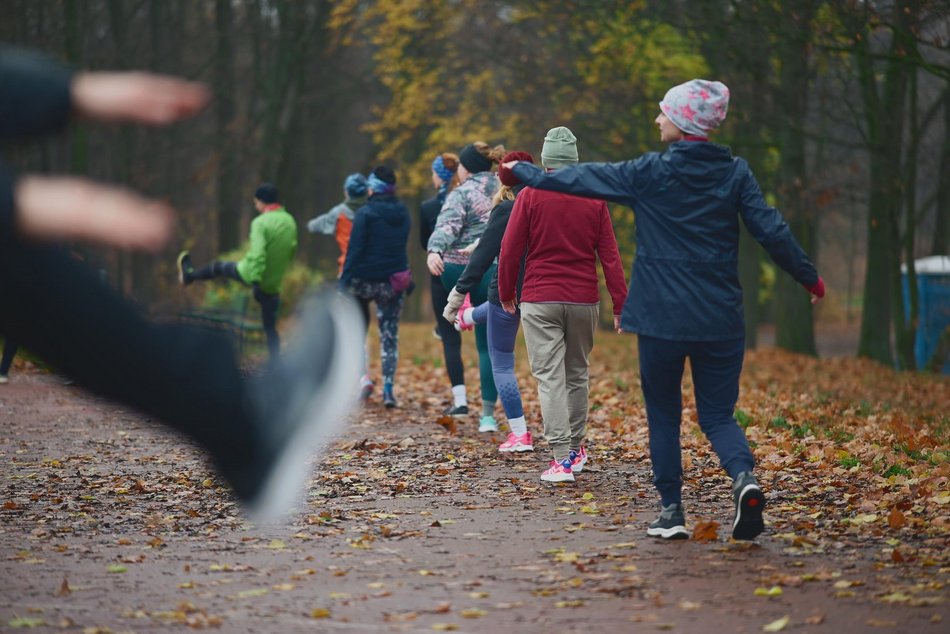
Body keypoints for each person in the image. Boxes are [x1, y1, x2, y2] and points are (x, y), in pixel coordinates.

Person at [0, 46, 363, 523]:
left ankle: (241, 416)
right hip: (267, 284)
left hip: (256, 279)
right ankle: (240, 418)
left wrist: (63, 94)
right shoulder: (291, 223)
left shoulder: (265, 225)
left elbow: (255, 258)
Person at [504, 80, 825, 540]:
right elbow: (771, 230)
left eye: (664, 113)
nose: (657, 119)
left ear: (683, 122)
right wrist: (809, 278)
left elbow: (583, 178)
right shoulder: (736, 174)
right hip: (720, 316)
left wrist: (525, 174)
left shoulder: (650, 171)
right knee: (718, 415)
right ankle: (744, 479)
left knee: (663, 414)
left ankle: (672, 511)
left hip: (661, 319)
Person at [498, 127, 627, 483]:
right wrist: (620, 304)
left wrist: (506, 290)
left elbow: (510, 249)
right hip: (584, 298)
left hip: (540, 297)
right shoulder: (594, 197)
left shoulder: (530, 194)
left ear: (545, 160)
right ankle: (575, 450)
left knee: (549, 377)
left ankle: (560, 459)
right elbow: (610, 256)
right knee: (577, 375)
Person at [443, 151, 536, 451]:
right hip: (541, 290)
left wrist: (458, 293)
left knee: (502, 364)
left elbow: (485, 254)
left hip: (507, 291)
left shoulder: (506, 207)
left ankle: (520, 434)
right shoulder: (543, 202)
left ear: (502, 179)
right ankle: (469, 318)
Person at [426, 141, 506, 431]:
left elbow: (446, 227)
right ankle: (488, 417)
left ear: (465, 167)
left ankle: (458, 315)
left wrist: (434, 250)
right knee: (488, 347)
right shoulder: (503, 188)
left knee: (452, 306)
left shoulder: (462, 193)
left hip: (459, 269)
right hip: (495, 270)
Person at [177, 183, 298, 362]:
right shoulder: (290, 221)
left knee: (218, 267)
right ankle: (275, 364)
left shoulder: (260, 222)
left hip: (251, 273)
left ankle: (189, 275)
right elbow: (291, 251)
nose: (256, 206)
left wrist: (255, 281)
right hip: (272, 283)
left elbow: (258, 254)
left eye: (256, 202)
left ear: (262, 202)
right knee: (270, 326)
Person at [339, 166, 411, 409]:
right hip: (392, 283)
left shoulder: (365, 213)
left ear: (373, 188)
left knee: (358, 332)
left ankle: (364, 380)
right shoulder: (403, 212)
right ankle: (389, 389)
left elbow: (355, 251)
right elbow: (400, 249)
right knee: (389, 336)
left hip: (363, 282)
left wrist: (343, 282)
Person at [419, 153, 467, 410]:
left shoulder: (428, 207)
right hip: (473, 273)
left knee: (449, 338)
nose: (432, 176)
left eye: (434, 172)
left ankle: (460, 401)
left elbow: (424, 244)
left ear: (441, 175)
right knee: (486, 340)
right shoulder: (471, 201)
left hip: (440, 275)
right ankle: (490, 409)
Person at [307, 173, 368, 277]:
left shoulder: (338, 213)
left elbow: (314, 225)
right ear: (366, 192)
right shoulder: (373, 212)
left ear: (346, 192)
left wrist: (308, 225)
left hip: (348, 269)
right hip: (371, 270)